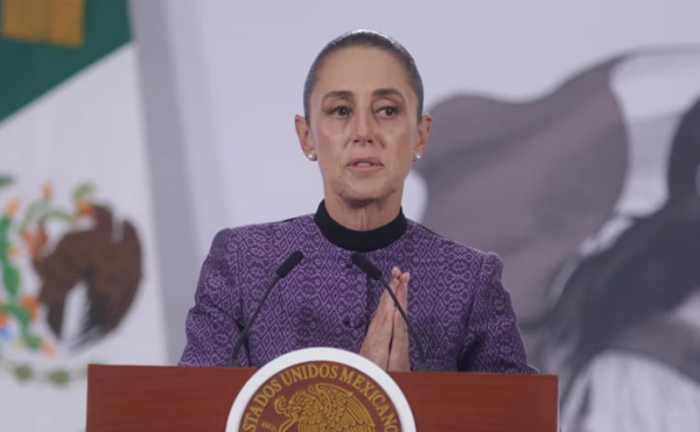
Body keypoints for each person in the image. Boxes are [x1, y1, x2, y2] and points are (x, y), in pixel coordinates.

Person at [178, 29, 535, 373]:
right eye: (340, 111)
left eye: (387, 110)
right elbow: (197, 406)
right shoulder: (244, 264)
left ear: (421, 136)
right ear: (307, 137)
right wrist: (362, 392)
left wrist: (412, 397)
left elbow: (520, 409)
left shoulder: (469, 279)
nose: (364, 132)